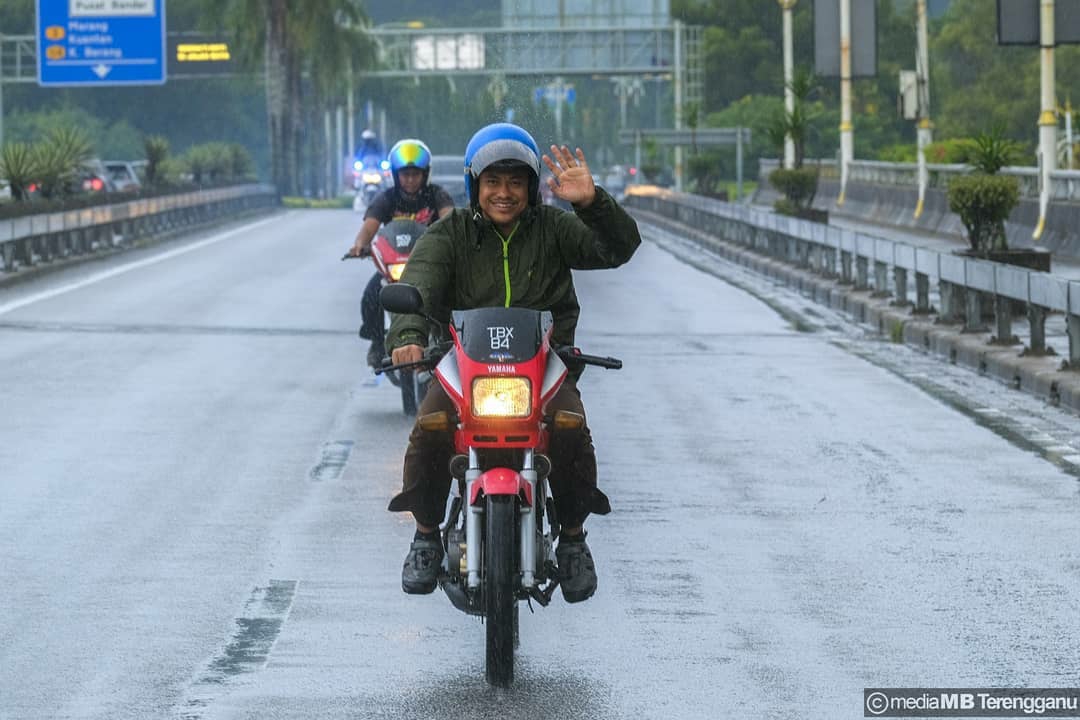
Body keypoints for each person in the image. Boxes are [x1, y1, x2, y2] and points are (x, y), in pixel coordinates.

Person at [384, 122, 641, 602]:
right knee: (430, 425)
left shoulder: (555, 228)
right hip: (464, 368)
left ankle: (573, 538)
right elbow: (417, 286)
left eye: (515, 183)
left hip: (544, 367)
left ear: (531, 188)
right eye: (493, 182)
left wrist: (592, 203)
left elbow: (618, 248)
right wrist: (409, 336)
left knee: (570, 426)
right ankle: (423, 535)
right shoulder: (449, 234)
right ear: (474, 185)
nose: (504, 194)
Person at [349, 138, 455, 367]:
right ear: (396, 175)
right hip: (394, 265)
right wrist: (359, 244)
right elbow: (369, 226)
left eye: (415, 174)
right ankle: (377, 342)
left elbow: (451, 221)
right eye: (404, 174)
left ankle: (452, 345)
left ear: (425, 175)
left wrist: (456, 240)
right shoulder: (386, 198)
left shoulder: (437, 195)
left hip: (430, 267)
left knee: (450, 299)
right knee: (370, 297)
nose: (409, 180)